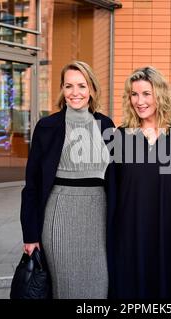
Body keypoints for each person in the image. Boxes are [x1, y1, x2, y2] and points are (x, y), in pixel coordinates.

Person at [20, 61, 116, 299]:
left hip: (99, 216)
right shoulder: (47, 126)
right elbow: (32, 184)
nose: (75, 93)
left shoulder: (106, 125)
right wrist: (30, 235)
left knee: (100, 284)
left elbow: (116, 175)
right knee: (66, 288)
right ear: (62, 89)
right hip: (60, 214)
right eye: (69, 86)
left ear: (92, 89)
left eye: (82, 86)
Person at [111, 66, 171, 299]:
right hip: (130, 231)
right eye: (134, 94)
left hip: (168, 231)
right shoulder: (121, 135)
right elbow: (113, 188)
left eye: (147, 93)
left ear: (160, 95)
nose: (140, 101)